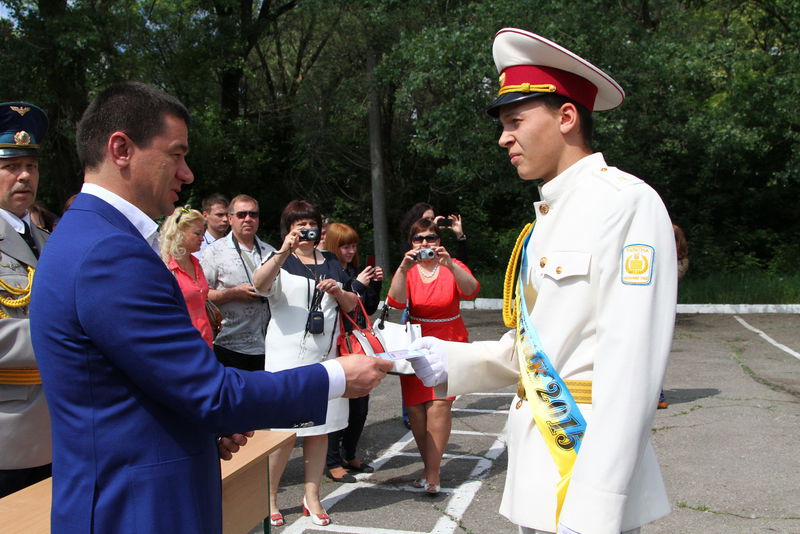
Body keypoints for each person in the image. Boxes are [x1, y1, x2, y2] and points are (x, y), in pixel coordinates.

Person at [29, 81, 392, 534]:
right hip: (138, 511)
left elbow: (134, 387)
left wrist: (206, 423)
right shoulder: (109, 252)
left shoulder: (87, 236)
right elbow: (210, 393)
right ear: (120, 148)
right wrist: (337, 375)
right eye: (176, 154)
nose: (187, 174)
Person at [408, 29, 677, 534]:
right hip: (540, 470)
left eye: (515, 122)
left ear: (567, 117)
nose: (503, 138)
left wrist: (596, 506)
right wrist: (440, 358)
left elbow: (632, 366)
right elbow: (541, 349)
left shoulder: (625, 203)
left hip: (586, 473)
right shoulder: (547, 218)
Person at [252, 200, 358, 527]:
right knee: (283, 432)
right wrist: (284, 251)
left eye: (311, 224)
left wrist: (337, 290)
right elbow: (260, 285)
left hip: (324, 354)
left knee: (320, 428)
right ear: (288, 229)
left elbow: (353, 303)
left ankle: (312, 496)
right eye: (299, 225)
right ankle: (268, 498)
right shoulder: (278, 259)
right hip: (286, 357)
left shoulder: (330, 261)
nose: (306, 231)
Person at [387, 217, 479, 495]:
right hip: (416, 342)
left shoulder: (452, 265)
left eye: (431, 238)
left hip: (450, 339)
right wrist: (404, 268)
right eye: (419, 239)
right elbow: (395, 301)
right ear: (411, 243)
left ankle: (433, 474)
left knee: (439, 405)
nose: (425, 244)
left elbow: (471, 291)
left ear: (439, 241)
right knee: (416, 409)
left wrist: (450, 263)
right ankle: (429, 467)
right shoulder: (409, 270)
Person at [0, 101, 52, 498]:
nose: (23, 176)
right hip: (8, 431)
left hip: (55, 426)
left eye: (30, 167)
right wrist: (64, 338)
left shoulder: (47, 241)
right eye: (10, 167)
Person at [324, 222, 384, 483]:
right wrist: (357, 285)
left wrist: (375, 285)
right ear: (333, 247)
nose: (350, 251)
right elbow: (343, 306)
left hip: (357, 344)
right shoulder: (328, 269)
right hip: (334, 344)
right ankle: (332, 461)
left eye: (353, 246)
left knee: (360, 404)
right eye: (345, 246)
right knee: (337, 404)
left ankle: (350, 453)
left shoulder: (355, 270)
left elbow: (367, 308)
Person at [202, 194, 274, 370]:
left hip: (268, 345)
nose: (248, 219)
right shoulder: (214, 252)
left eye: (253, 214)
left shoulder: (271, 253)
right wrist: (233, 293)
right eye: (242, 214)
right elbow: (201, 295)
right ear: (230, 218)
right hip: (229, 344)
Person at [160, 206, 214, 347]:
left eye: (203, 234)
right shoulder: (166, 267)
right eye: (197, 234)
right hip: (181, 344)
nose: (203, 239)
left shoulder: (196, 263)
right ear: (179, 233)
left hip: (205, 341)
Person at [197, 192, 230, 257]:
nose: (225, 219)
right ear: (205, 216)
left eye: (227, 214)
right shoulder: (198, 245)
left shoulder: (235, 243)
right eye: (220, 215)